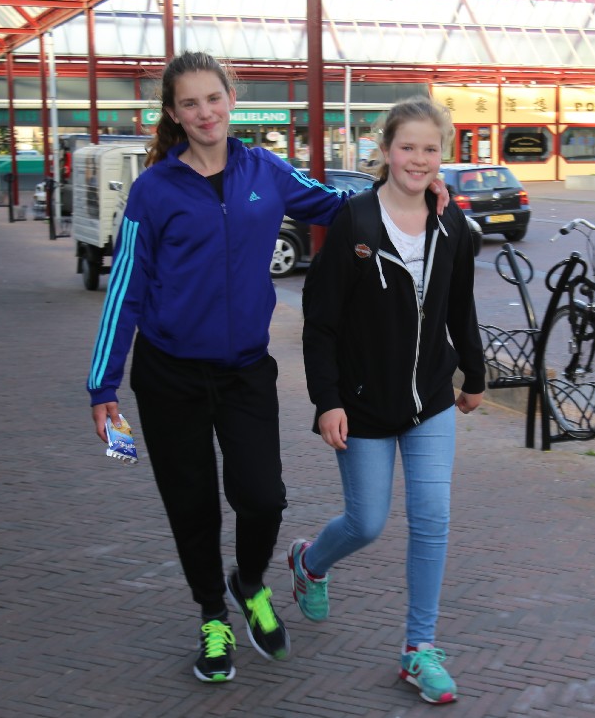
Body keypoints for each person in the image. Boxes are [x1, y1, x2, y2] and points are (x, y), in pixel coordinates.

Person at [84, 52, 448, 686]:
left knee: (262, 498)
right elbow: (126, 289)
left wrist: (407, 188)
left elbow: (335, 206)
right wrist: (103, 384)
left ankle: (249, 583)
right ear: (173, 113)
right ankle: (212, 618)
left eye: (213, 99)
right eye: (190, 103)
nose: (205, 113)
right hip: (169, 376)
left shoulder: (264, 169)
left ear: (232, 99)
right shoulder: (154, 190)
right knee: (193, 505)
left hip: (246, 371)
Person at [292, 96, 485, 705]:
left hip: (431, 400)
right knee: (367, 522)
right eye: (407, 147)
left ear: (442, 155)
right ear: (384, 150)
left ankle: (418, 648)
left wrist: (475, 376)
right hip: (362, 404)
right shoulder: (354, 223)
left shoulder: (453, 225)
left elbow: (460, 307)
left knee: (432, 519)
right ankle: (310, 562)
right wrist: (327, 400)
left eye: (431, 149)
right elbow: (321, 322)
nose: (418, 160)